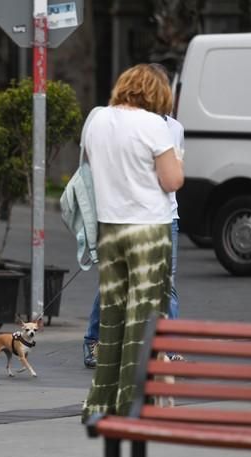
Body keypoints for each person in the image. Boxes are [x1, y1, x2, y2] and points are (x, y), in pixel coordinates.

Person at [80, 64, 184, 422]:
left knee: (112, 319)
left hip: (110, 227)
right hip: (148, 228)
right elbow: (172, 181)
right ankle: (132, 403)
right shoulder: (154, 125)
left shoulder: (96, 119)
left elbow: (95, 168)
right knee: (144, 319)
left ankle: (99, 404)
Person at [83, 113, 185, 369]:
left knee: (166, 285)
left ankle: (167, 350)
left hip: (165, 216)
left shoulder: (175, 127)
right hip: (128, 216)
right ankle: (94, 339)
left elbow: (172, 180)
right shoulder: (124, 124)